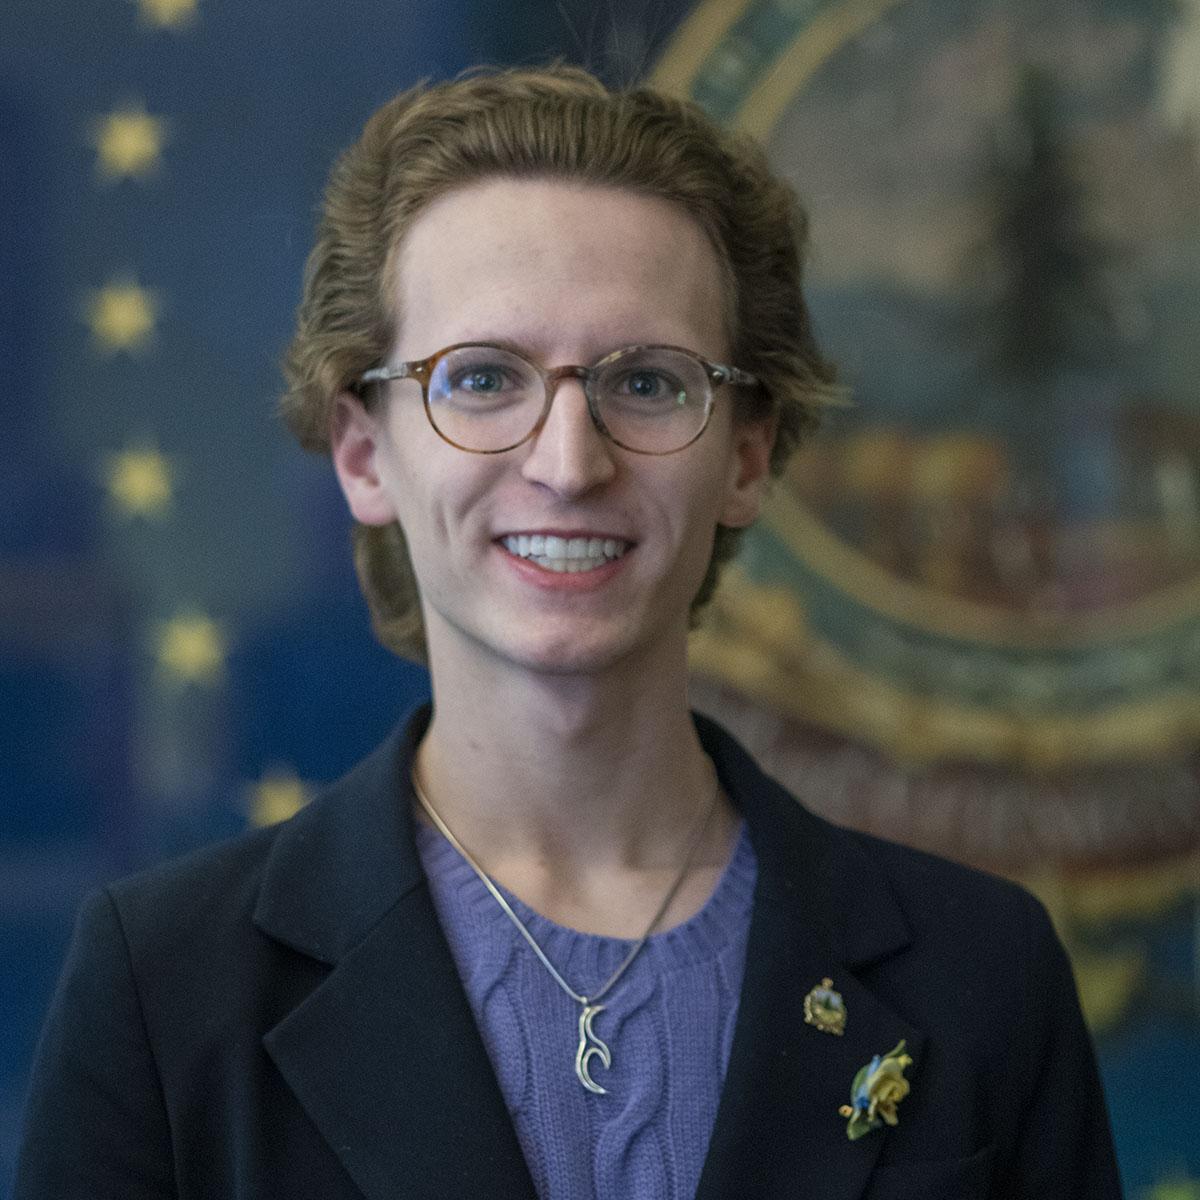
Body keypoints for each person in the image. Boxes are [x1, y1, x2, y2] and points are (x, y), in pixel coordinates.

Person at [14, 65, 1122, 1199]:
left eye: (646, 382)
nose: (569, 462)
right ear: (363, 452)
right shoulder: (162, 992)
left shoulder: (987, 977)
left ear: (746, 455)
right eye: (482, 378)